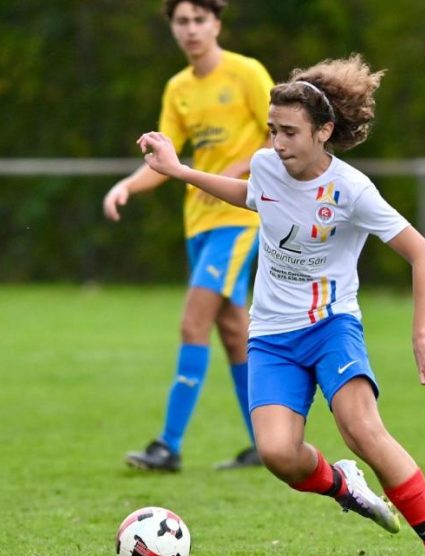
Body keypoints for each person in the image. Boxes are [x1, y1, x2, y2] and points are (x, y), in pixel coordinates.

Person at [136, 53, 425, 556]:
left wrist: (421, 335)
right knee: (277, 454)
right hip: (271, 335)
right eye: (272, 131)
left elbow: (424, 255)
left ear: (323, 131)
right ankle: (344, 486)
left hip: (331, 326)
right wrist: (179, 171)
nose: (277, 143)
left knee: (361, 429)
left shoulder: (352, 190)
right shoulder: (267, 165)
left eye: (289, 132)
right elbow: (251, 196)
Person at [103, 0, 274, 473]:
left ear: (216, 23)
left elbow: (280, 135)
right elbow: (165, 162)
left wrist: (237, 168)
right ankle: (265, 445)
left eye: (200, 20)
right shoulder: (178, 87)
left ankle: (168, 445)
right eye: (182, 21)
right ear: (173, 28)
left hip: (239, 220)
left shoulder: (246, 73)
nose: (192, 29)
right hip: (198, 223)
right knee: (234, 334)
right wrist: (126, 186)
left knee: (192, 323)